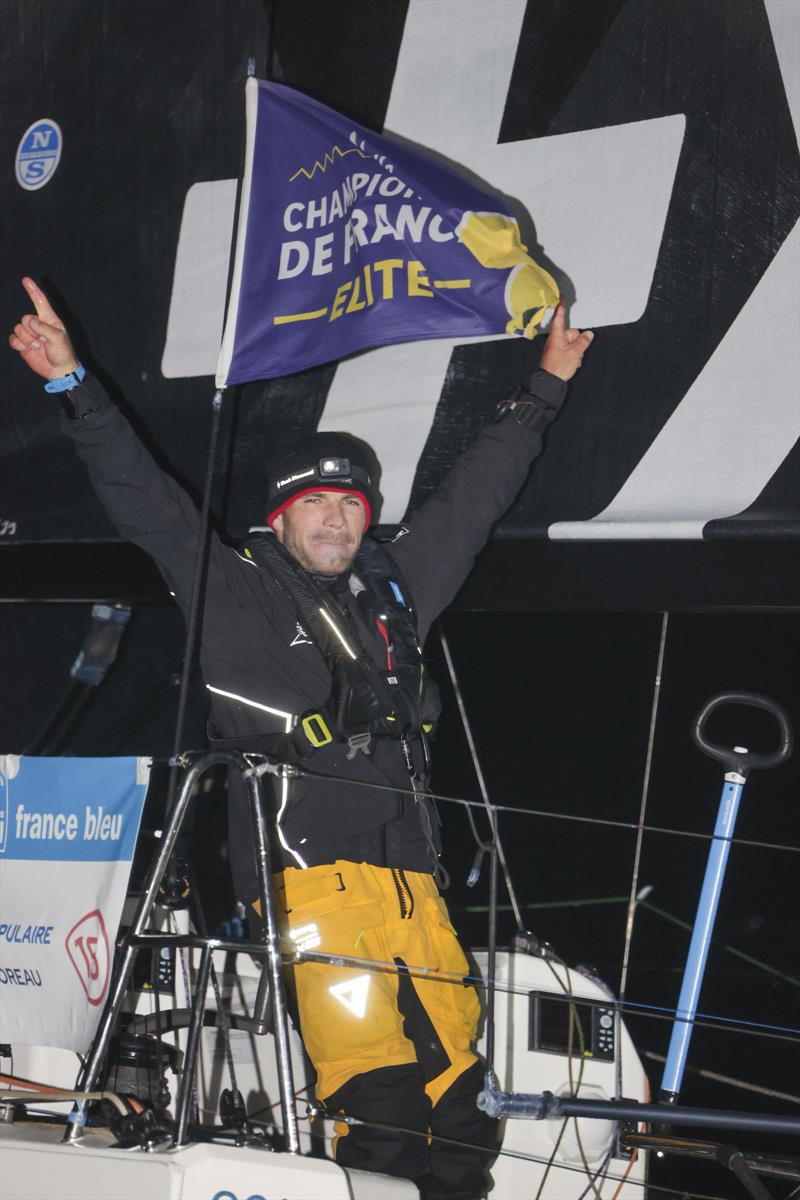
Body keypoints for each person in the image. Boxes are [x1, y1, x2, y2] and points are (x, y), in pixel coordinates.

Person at [10, 276, 593, 1199]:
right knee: (382, 1104)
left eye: (351, 502)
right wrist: (71, 382)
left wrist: (546, 384)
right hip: (315, 886)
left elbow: (476, 498)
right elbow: (143, 495)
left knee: (466, 1108)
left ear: (369, 517)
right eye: (315, 503)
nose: (335, 515)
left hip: (417, 892)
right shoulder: (234, 592)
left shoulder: (395, 589)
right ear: (281, 521)